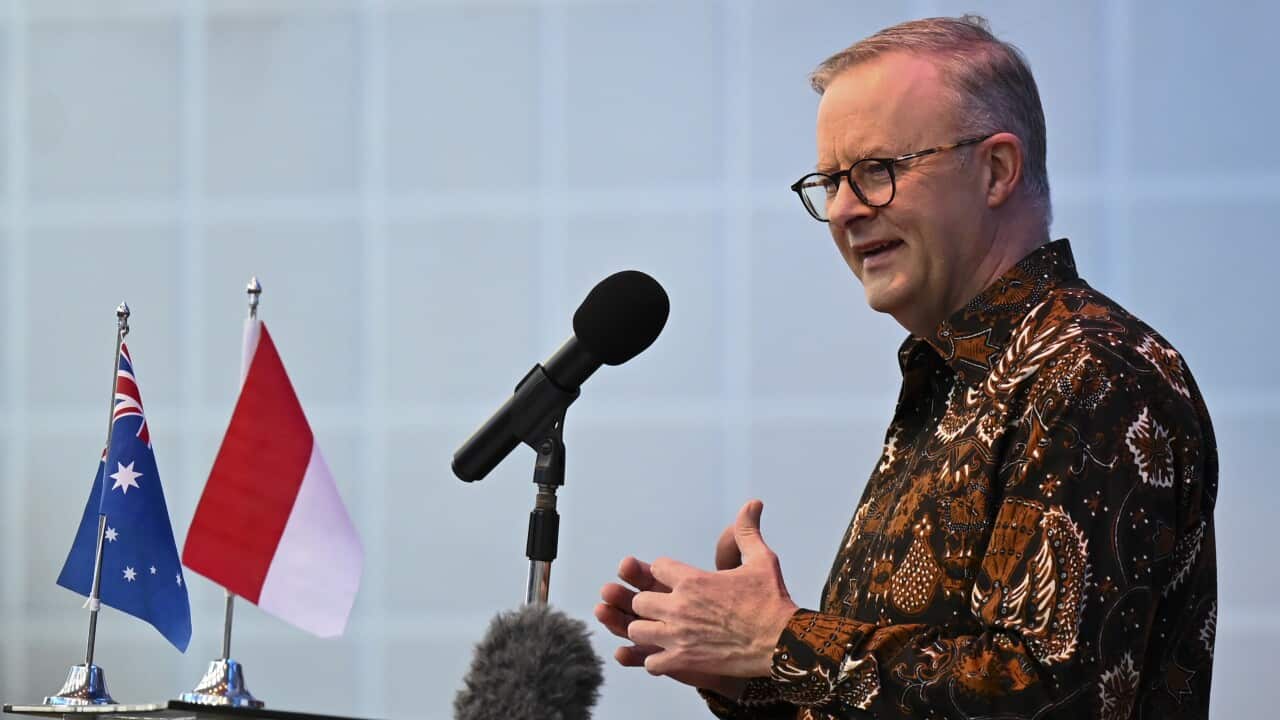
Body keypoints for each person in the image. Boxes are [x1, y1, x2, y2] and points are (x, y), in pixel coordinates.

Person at [594, 15, 1217, 720]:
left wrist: (781, 641)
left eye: (877, 172)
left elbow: (1051, 696)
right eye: (830, 182)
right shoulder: (954, 380)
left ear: (996, 170)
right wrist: (752, 678)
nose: (844, 211)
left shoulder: (1090, 372)